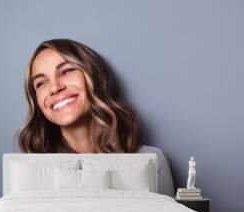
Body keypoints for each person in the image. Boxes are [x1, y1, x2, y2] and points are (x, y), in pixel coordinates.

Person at [16, 38, 174, 197]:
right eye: (41, 83)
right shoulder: (29, 170)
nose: (55, 87)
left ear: (94, 75)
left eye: (67, 71)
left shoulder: (151, 162)